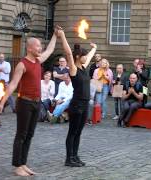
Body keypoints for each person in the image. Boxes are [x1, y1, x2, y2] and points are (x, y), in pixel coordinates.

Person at [0, 29, 58, 176]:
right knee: (21, 134)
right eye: (38, 46)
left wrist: (55, 34)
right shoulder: (22, 65)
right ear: (30, 48)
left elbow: (50, 50)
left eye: (40, 46)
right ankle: (17, 166)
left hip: (37, 103)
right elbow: (12, 85)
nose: (40, 48)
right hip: (24, 103)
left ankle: (23, 163)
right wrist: (2, 102)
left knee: (30, 134)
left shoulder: (38, 60)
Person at [59, 28, 97, 167]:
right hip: (76, 104)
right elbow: (68, 52)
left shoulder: (83, 67)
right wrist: (62, 35)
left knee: (79, 132)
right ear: (77, 57)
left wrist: (95, 48)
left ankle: (75, 156)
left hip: (85, 104)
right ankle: (69, 158)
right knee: (72, 131)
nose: (86, 57)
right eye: (84, 55)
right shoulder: (73, 69)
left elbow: (90, 57)